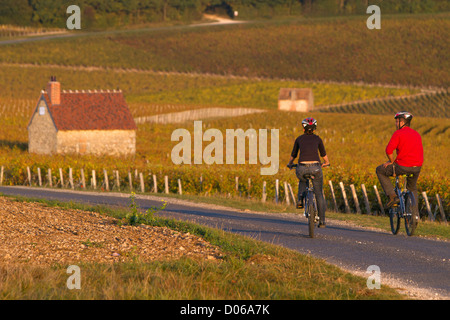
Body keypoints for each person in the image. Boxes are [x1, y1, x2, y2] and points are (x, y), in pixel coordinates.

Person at [376, 111, 423, 215]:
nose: (396, 124)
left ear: (403, 123)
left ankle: (392, 197)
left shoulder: (398, 133)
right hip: (417, 167)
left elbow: (388, 150)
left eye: (397, 121)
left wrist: (391, 161)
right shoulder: (417, 134)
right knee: (412, 188)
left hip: (402, 166)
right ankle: (414, 216)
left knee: (380, 170)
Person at [288, 117, 330, 228]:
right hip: (316, 168)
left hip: (301, 167)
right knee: (319, 194)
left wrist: (290, 163)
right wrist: (326, 163)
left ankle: (300, 200)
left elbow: (294, 155)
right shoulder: (318, 139)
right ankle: (322, 221)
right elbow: (324, 155)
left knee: (302, 179)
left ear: (303, 129)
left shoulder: (299, 139)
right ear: (315, 129)